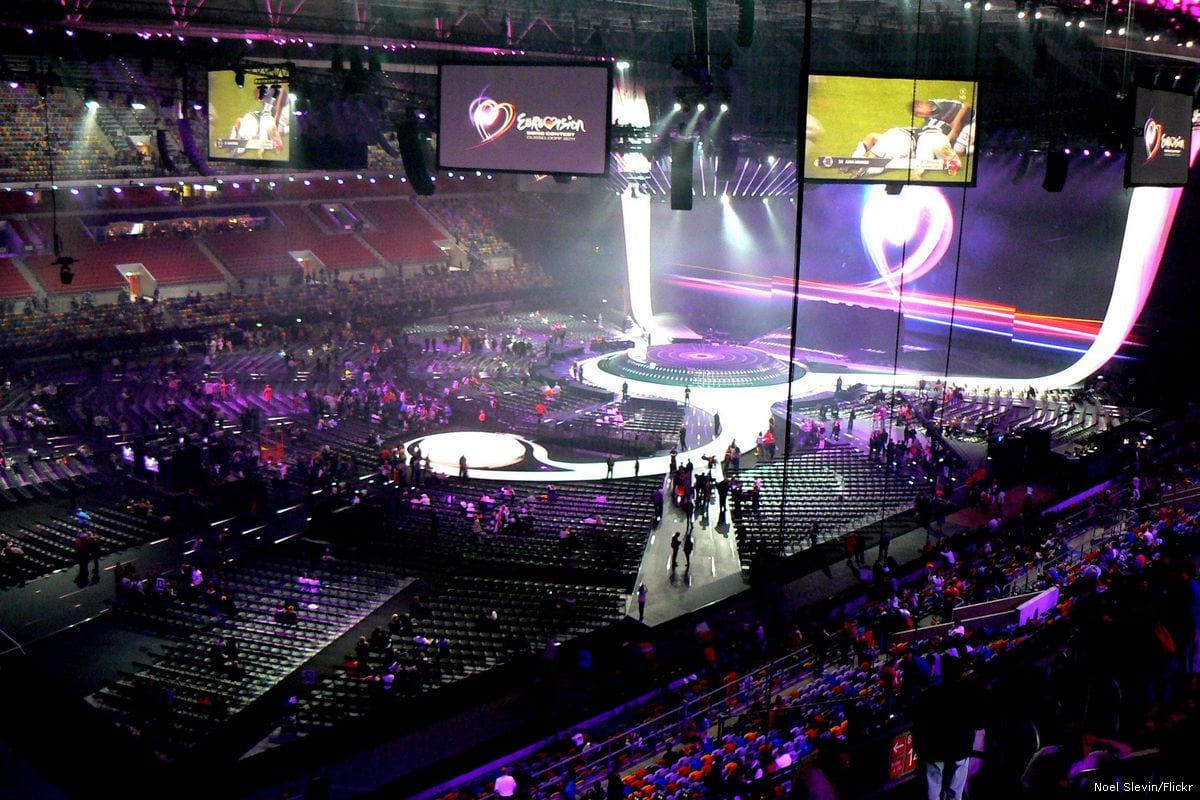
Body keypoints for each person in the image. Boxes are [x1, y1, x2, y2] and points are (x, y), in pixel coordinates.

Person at [910, 656, 984, 800]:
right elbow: (979, 722)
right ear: (961, 672)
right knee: (955, 793)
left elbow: (916, 719)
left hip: (934, 747)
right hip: (960, 747)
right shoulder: (969, 694)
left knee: (932, 788)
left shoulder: (928, 695)